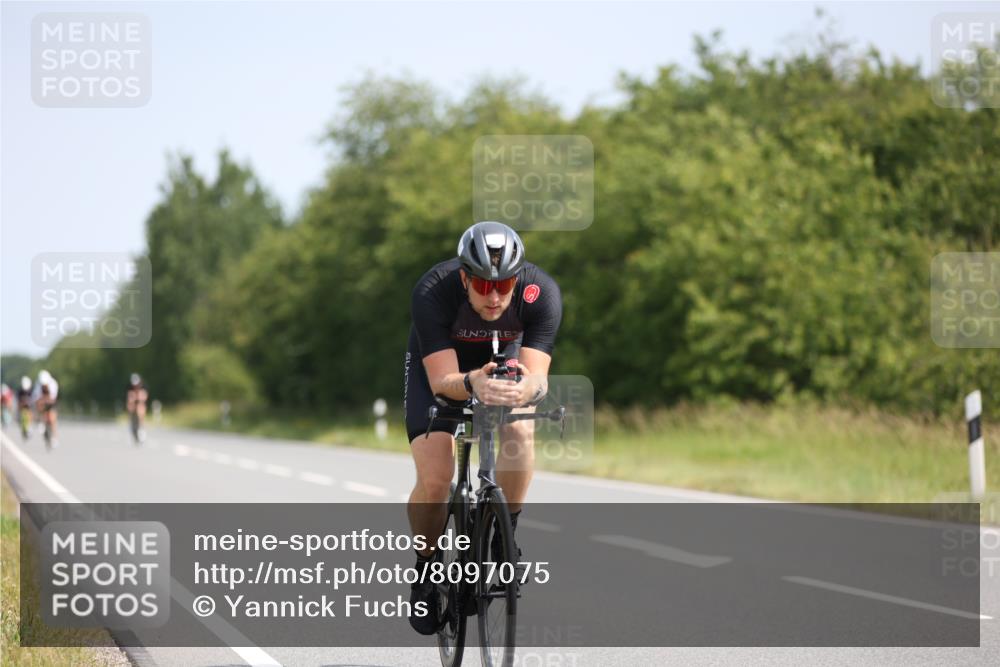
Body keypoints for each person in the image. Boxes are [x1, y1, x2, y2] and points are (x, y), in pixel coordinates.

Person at [404, 221, 562, 634]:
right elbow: (442, 382)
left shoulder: (539, 293)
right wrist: (473, 382)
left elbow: (538, 378)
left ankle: (504, 537)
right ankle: (426, 565)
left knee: (521, 430)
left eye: (505, 284)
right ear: (464, 277)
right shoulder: (433, 291)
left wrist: (526, 388)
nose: (495, 296)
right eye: (483, 285)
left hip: (504, 360)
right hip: (443, 370)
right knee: (436, 481)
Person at [32, 369, 59, 446]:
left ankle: (54, 438)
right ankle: (40, 421)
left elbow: (52, 399)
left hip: (51, 402)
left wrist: (45, 400)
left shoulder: (53, 384)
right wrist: (40, 402)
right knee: (38, 406)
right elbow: (35, 398)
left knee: (52, 418)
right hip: (42, 402)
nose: (44, 386)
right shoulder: (38, 385)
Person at [126, 373, 149, 442]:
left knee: (140, 408)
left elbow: (144, 398)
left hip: (140, 404)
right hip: (132, 405)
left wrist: (138, 396)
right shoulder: (129, 387)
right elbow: (129, 399)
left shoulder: (143, 387)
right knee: (131, 406)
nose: (135, 386)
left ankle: (141, 427)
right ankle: (132, 424)